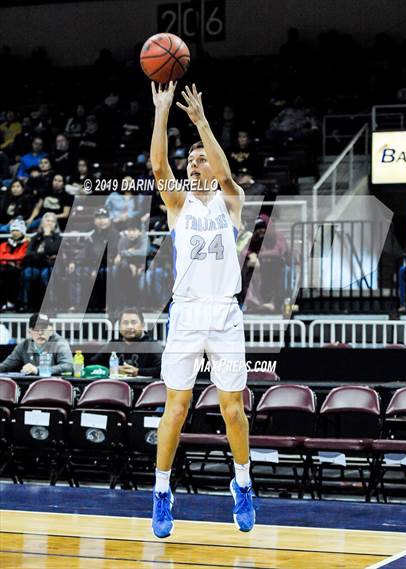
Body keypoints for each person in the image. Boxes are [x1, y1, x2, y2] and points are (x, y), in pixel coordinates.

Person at [150, 82, 255, 538]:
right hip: (188, 314)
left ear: (214, 164)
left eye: (201, 158)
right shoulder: (178, 203)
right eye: (190, 159)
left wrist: (200, 123)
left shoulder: (232, 202)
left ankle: (244, 485)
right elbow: (157, 165)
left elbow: (228, 176)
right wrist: (162, 110)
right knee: (176, 407)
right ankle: (160, 493)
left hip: (225, 315)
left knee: (233, 410)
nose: (195, 164)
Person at [91, 308, 161, 376]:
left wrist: (138, 371)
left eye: (134, 322)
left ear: (143, 325)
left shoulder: (152, 345)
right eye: (125, 323)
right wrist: (111, 370)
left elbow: (162, 369)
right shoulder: (113, 344)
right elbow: (91, 364)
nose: (129, 326)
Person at [0, 312, 73, 375]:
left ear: (50, 331)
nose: (40, 333)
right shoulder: (24, 345)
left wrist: (38, 370)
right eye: (36, 329)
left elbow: (69, 366)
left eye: (43, 329)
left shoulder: (59, 343)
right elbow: (5, 366)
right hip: (31, 387)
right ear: (29, 332)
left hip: (56, 386)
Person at [20, 212, 61, 311]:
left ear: (55, 224)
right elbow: (28, 254)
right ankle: (26, 304)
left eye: (52, 221)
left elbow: (52, 250)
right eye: (47, 221)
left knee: (45, 275)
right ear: (42, 223)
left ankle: (51, 305)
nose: (49, 223)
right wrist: (43, 255)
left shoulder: (58, 238)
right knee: (27, 273)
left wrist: (47, 236)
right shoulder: (36, 237)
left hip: (51, 266)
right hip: (36, 265)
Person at [0, 218, 29, 310]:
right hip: (4, 269)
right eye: (13, 230)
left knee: (11, 273)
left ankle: (11, 302)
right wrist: (11, 260)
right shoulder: (3, 244)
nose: (14, 232)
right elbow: (0, 256)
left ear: (22, 232)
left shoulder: (26, 244)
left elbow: (22, 256)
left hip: (19, 269)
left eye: (17, 230)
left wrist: (8, 258)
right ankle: (3, 303)